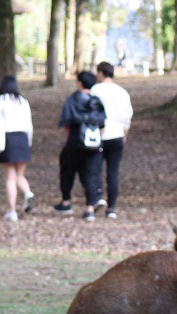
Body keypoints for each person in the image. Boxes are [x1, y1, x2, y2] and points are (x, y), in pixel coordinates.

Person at [55, 70, 107, 221]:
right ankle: (90, 208)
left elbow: (66, 121)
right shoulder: (97, 101)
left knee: (67, 171)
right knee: (91, 174)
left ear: (79, 83)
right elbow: (102, 123)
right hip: (93, 145)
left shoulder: (73, 100)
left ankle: (66, 202)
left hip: (74, 142)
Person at [90, 62, 134, 220]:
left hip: (99, 136)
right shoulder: (122, 92)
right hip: (117, 135)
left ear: (101, 73)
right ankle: (112, 207)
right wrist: (124, 135)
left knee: (95, 169)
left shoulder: (95, 90)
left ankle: (98, 197)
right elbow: (127, 117)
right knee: (113, 172)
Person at [0, 75, 34, 222]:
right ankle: (27, 193)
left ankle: (12, 211)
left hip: (7, 139)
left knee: (10, 178)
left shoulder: (0, 100)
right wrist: (29, 142)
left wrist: (2, 120)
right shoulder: (23, 101)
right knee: (20, 175)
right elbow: (29, 125)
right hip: (22, 138)